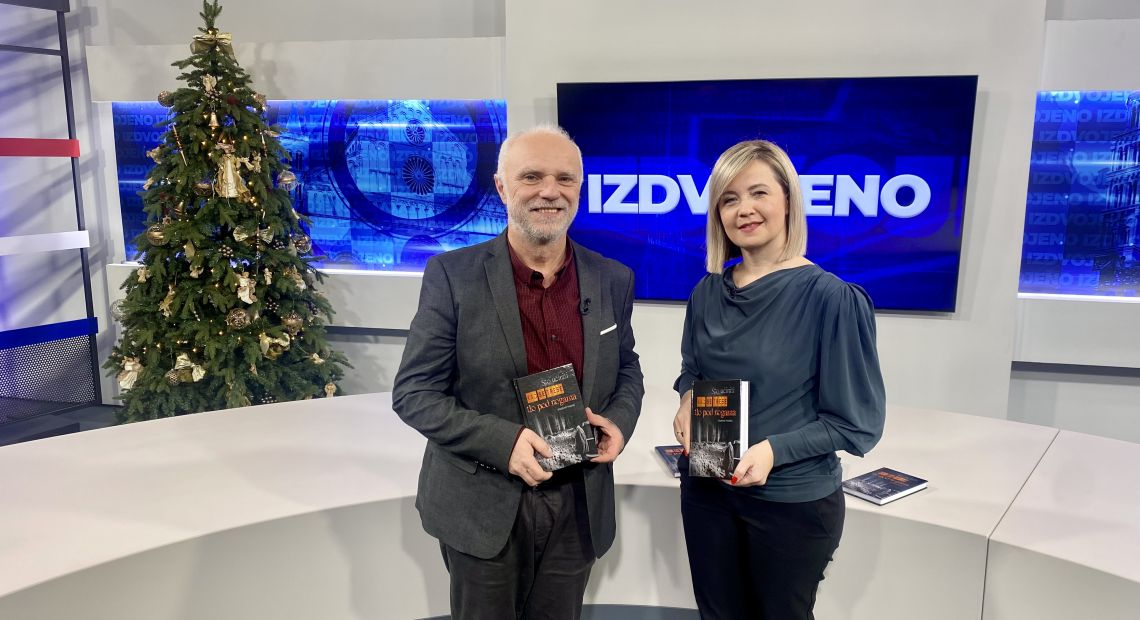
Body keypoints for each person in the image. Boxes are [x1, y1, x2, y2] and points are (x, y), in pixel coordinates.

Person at [393, 125, 644, 619]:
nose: (550, 191)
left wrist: (620, 421)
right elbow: (414, 392)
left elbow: (628, 366)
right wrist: (503, 443)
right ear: (502, 187)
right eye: (532, 177)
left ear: (579, 188)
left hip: (578, 502)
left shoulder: (613, 278)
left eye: (565, 179)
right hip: (484, 504)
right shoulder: (452, 276)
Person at [672, 139, 886, 619]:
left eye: (758, 193)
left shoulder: (832, 299)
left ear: (788, 200)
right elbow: (693, 370)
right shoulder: (706, 292)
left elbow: (857, 424)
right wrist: (687, 398)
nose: (743, 209)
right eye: (729, 199)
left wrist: (773, 451)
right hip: (708, 489)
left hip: (790, 504)